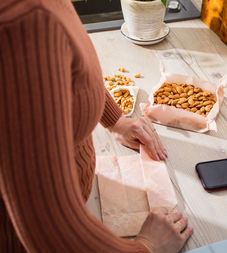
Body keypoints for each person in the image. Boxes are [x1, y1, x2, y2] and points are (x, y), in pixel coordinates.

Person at [0, 0, 193, 252]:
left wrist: (116, 120)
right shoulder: (21, 24)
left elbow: (67, 68)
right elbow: (53, 235)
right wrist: (146, 248)